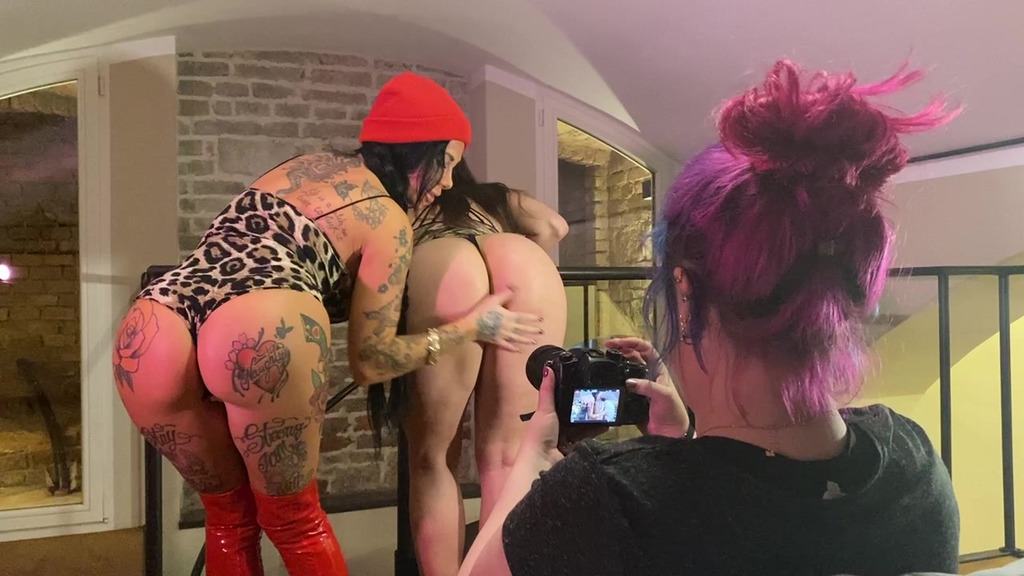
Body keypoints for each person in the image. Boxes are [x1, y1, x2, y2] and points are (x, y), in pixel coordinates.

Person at [459, 60, 962, 576]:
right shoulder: (916, 466)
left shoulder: (604, 501)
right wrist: (682, 451)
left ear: (685, 290)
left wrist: (529, 462)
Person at [111, 72, 543, 576]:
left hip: (155, 323)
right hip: (261, 321)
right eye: (446, 163)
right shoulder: (387, 219)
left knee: (228, 518)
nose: (448, 182)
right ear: (418, 153)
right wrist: (470, 327)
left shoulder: (302, 165)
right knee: (295, 523)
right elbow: (371, 361)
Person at [393, 161, 568, 575]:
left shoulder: (403, 202)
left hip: (443, 263)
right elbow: (554, 226)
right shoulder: (493, 197)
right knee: (511, 457)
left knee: (433, 458)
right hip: (521, 263)